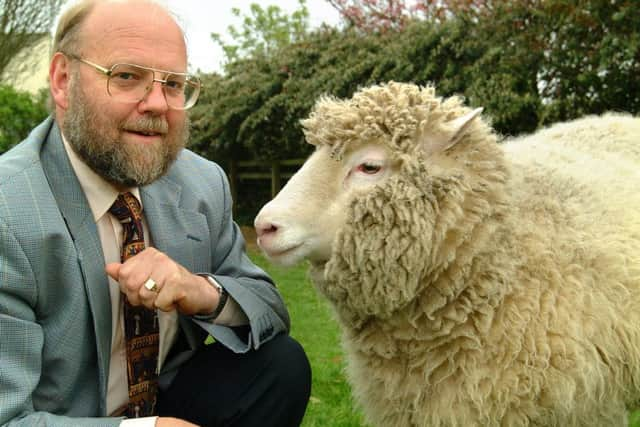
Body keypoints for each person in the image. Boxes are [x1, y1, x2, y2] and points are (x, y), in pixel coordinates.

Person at [0, 0, 311, 426]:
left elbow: (270, 313)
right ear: (62, 79)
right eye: (126, 76)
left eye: (174, 84)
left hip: (166, 395)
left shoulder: (202, 184)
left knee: (280, 365)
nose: (158, 104)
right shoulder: (7, 211)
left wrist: (200, 291)